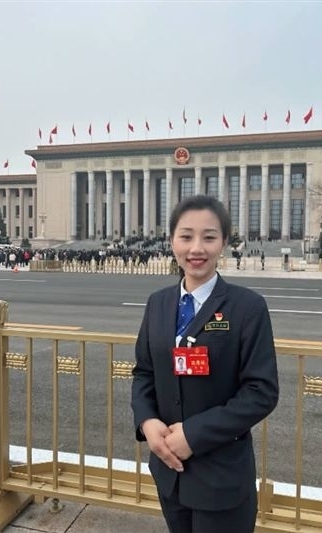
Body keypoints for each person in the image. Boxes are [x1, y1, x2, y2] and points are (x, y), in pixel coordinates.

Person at [131, 195, 279, 533]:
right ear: (171, 241)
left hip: (221, 477)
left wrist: (193, 435)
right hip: (170, 472)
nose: (196, 248)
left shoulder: (247, 307)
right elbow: (144, 372)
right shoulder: (158, 303)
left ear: (224, 242)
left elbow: (261, 392)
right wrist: (147, 422)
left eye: (209, 237)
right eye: (186, 236)